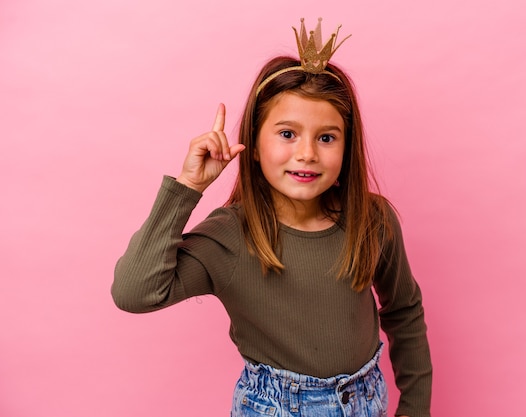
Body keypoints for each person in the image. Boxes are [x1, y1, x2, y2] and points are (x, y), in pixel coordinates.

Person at [112, 18, 432, 417]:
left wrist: (415, 409)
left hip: (366, 401)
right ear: (256, 145)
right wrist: (188, 186)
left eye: (326, 138)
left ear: (347, 149)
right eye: (287, 134)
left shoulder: (373, 220)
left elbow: (403, 311)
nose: (307, 154)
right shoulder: (230, 237)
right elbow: (134, 292)